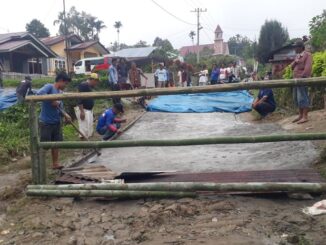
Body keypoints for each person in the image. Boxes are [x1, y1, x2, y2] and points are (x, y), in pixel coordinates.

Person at [37, 72, 71, 170]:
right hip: (46, 122)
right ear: (60, 81)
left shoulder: (60, 93)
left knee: (56, 144)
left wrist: (66, 115)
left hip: (56, 122)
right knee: (44, 145)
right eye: (65, 84)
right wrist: (51, 100)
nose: (65, 86)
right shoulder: (49, 87)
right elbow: (39, 94)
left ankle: (55, 163)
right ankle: (40, 165)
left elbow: (60, 108)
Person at [291, 40, 312, 124]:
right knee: (296, 98)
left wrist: (302, 78)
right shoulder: (297, 56)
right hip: (295, 80)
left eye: (295, 47)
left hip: (302, 80)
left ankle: (305, 116)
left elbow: (307, 69)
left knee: (303, 97)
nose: (294, 48)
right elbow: (291, 67)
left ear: (300, 47)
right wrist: (295, 62)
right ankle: (300, 115)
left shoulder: (307, 55)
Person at [74, 73, 99, 140]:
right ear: (93, 80)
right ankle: (83, 146)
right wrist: (82, 111)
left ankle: (87, 147)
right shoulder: (83, 85)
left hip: (88, 110)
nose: (96, 83)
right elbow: (79, 98)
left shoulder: (88, 86)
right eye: (96, 81)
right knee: (84, 130)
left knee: (88, 129)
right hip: (83, 110)